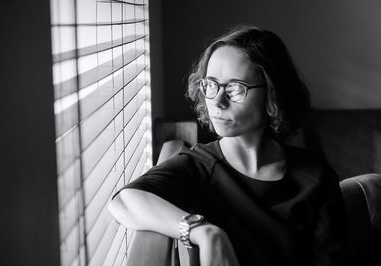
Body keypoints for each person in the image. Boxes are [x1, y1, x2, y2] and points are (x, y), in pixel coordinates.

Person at [109, 25, 348, 266]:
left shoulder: (316, 177)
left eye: (235, 88)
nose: (218, 102)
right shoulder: (198, 167)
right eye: (211, 84)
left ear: (272, 95)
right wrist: (205, 232)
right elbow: (124, 201)